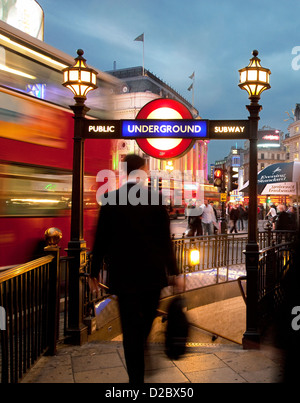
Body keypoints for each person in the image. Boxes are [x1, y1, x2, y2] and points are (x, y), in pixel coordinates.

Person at [89, 154, 182, 384]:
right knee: (145, 323)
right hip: (152, 276)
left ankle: (135, 379)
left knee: (130, 330)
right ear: (141, 170)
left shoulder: (110, 199)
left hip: (123, 276)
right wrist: (174, 272)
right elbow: (164, 240)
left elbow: (100, 239)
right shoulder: (155, 198)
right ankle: (142, 349)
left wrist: (93, 271)